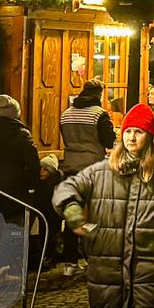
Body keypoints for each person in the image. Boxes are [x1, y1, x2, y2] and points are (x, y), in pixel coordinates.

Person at [53, 103, 154, 308]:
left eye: (138, 132)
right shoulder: (100, 172)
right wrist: (75, 217)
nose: (132, 137)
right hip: (108, 265)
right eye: (128, 131)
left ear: (149, 136)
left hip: (149, 266)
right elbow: (67, 188)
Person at [59, 79, 117, 276]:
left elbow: (65, 139)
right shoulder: (98, 114)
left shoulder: (66, 114)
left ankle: (70, 263)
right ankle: (93, 259)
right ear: (99, 94)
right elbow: (108, 140)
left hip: (70, 168)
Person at [0, 95, 39, 222]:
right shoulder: (21, 133)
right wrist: (31, 183)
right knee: (16, 228)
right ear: (15, 113)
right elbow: (33, 162)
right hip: (15, 187)